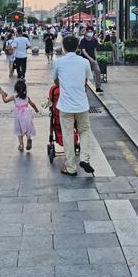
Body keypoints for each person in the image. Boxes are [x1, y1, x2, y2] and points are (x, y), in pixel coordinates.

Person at [52, 35, 95, 176]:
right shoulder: (84, 62)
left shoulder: (58, 62)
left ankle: (71, 167)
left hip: (65, 106)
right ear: (77, 47)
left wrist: (64, 85)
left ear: (64, 48)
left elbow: (55, 81)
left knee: (68, 134)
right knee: (84, 131)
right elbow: (86, 80)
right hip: (82, 104)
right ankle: (85, 159)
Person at [4, 79, 39, 152]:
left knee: (19, 130)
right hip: (27, 115)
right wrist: (36, 110)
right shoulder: (27, 97)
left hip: (18, 116)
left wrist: (3, 95)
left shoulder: (14, 97)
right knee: (28, 128)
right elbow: (33, 104)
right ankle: (28, 138)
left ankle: (21, 145)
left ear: (16, 89)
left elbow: (5, 101)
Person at [78, 27, 103, 93]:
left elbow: (95, 50)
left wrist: (95, 58)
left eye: (91, 31)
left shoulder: (94, 40)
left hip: (93, 60)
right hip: (85, 60)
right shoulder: (83, 40)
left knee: (98, 71)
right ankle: (83, 87)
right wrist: (90, 58)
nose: (90, 33)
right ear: (86, 32)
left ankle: (98, 87)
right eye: (88, 31)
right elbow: (83, 51)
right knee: (85, 75)